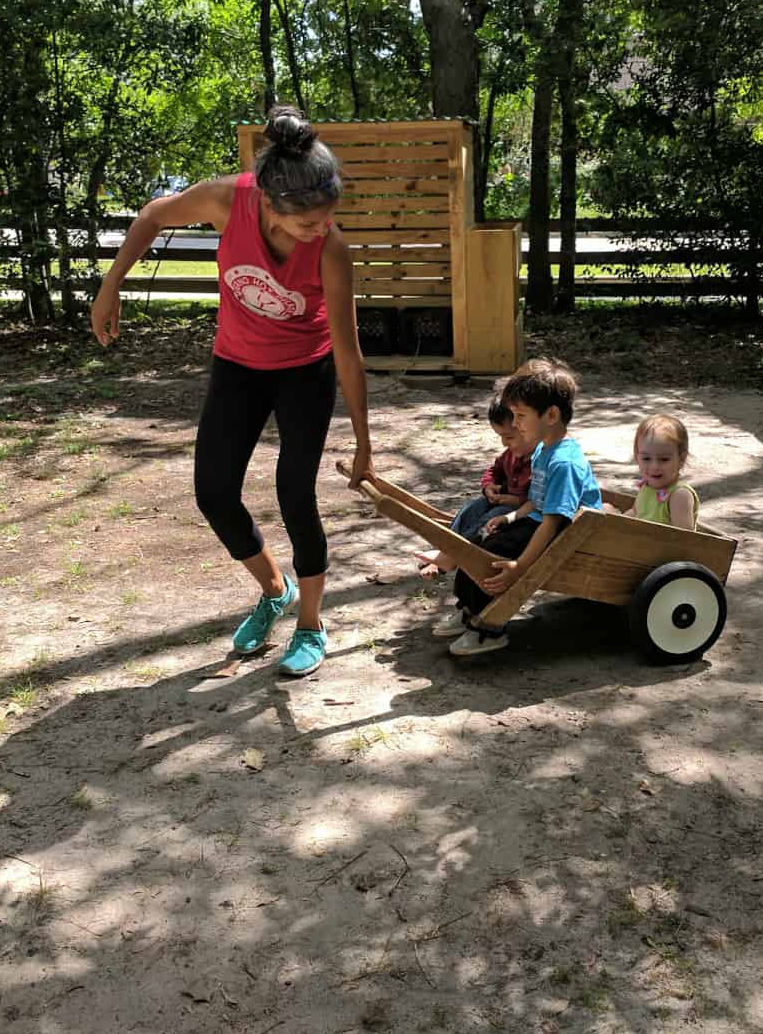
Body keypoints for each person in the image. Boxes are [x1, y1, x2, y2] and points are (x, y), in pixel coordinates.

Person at [89, 105, 374, 678]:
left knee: (296, 495)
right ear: (269, 203)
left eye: (327, 219)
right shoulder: (229, 201)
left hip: (304, 369)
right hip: (238, 365)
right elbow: (151, 215)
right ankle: (274, 588)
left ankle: (312, 623)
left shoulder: (332, 249)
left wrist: (365, 442)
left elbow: (347, 349)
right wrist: (110, 285)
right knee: (213, 492)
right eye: (308, 224)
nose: (321, 230)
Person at [432, 358, 602, 656]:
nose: (517, 423)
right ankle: (470, 609)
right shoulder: (543, 452)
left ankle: (490, 629)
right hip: (539, 521)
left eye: (521, 415)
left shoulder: (563, 462)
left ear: (550, 415)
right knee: (478, 541)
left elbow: (553, 522)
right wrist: (510, 517)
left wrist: (520, 567)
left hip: (570, 536)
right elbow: (536, 502)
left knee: (495, 556)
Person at [415, 392, 532, 578]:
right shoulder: (510, 454)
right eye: (501, 437)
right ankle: (444, 548)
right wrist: (489, 486)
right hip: (502, 501)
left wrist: (516, 500)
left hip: (520, 513)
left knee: (490, 517)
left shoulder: (538, 461)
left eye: (509, 437)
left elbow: (539, 499)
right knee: (471, 508)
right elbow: (494, 471)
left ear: (526, 428)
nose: (504, 443)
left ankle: (453, 555)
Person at [621, 414, 699, 530]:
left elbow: (685, 539)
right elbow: (636, 512)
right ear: (637, 457)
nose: (654, 466)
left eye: (664, 459)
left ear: (681, 459)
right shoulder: (647, 487)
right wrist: (616, 520)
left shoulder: (679, 495)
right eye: (646, 459)